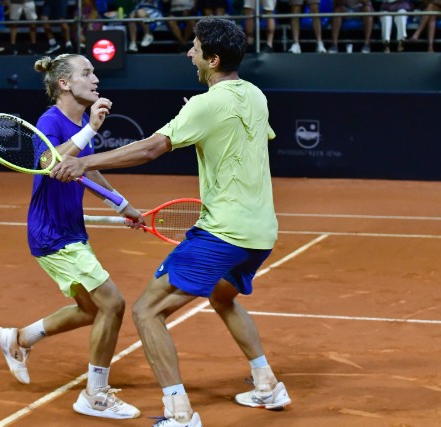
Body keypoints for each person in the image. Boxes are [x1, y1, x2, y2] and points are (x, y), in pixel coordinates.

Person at [50, 16, 292, 427]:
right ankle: (266, 383)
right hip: (261, 232)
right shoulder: (254, 95)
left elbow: (152, 148)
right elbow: (235, 132)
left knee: (147, 312)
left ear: (213, 59)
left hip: (224, 233)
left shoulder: (206, 104)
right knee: (221, 296)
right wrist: (199, 119)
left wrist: (83, 162)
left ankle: (179, 412)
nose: (189, 52)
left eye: (195, 48)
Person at [0, 53, 143, 420]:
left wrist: (122, 205)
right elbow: (49, 164)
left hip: (70, 230)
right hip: (52, 233)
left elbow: (85, 170)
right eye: (87, 73)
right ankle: (95, 394)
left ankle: (20, 338)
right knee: (112, 304)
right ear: (64, 83)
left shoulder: (78, 123)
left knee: (91, 309)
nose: (96, 79)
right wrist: (90, 129)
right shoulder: (51, 121)